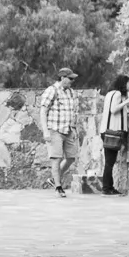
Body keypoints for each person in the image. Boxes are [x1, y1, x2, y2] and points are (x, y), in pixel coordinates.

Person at [39, 66, 81, 197]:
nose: (72, 81)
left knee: (70, 158)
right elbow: (43, 111)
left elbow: (72, 112)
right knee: (56, 159)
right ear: (62, 78)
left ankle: (53, 180)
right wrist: (46, 131)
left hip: (67, 130)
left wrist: (73, 129)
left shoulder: (70, 92)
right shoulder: (51, 91)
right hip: (54, 130)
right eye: (70, 79)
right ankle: (58, 186)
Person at [98, 73, 129, 195]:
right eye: (128, 83)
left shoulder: (109, 94)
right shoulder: (117, 94)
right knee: (109, 162)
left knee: (109, 161)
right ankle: (106, 188)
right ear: (123, 83)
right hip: (113, 132)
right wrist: (127, 101)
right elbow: (114, 109)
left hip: (106, 131)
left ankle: (109, 187)